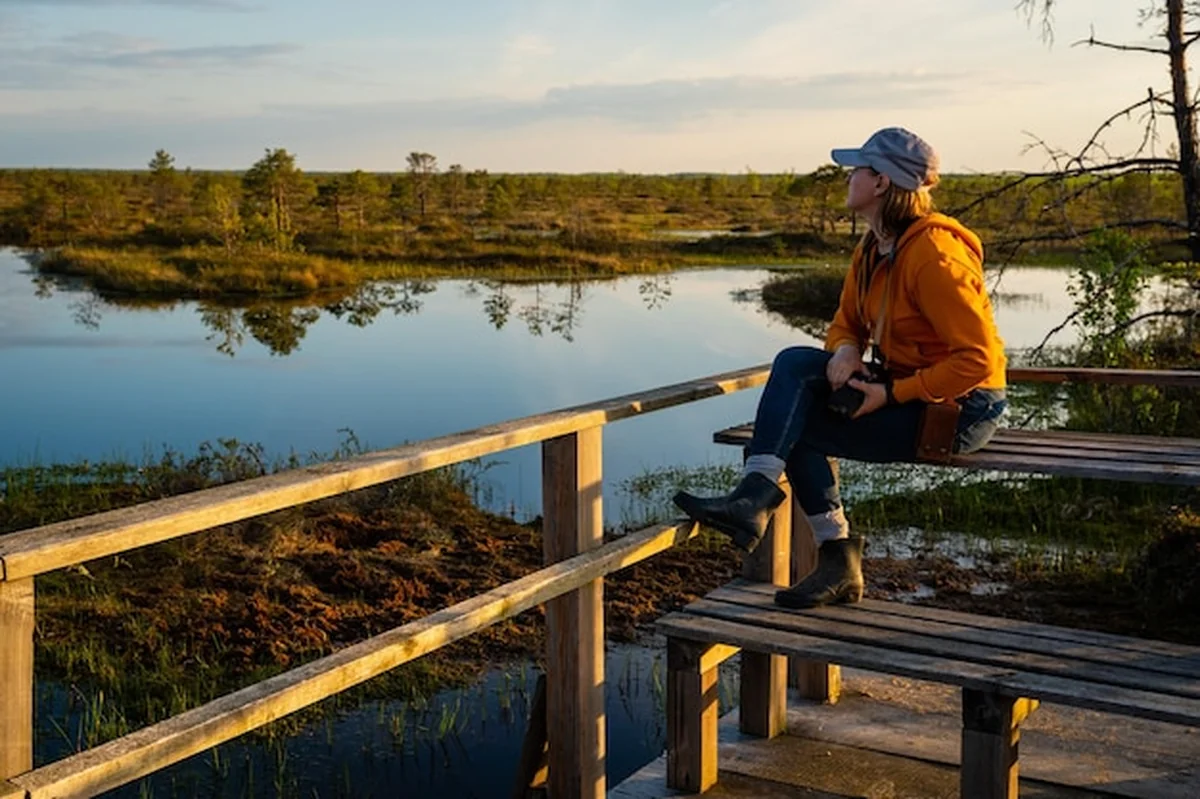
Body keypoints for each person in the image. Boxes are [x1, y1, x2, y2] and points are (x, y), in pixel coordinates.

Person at [673, 127, 1008, 609]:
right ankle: (762, 500)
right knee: (795, 363)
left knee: (799, 426)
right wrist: (847, 349)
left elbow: (976, 360)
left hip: (962, 409)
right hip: (907, 385)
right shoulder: (874, 247)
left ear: (882, 182)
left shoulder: (935, 256)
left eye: (857, 169)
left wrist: (890, 394)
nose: (848, 176)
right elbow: (845, 321)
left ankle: (823, 549)